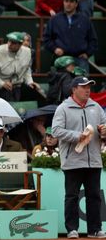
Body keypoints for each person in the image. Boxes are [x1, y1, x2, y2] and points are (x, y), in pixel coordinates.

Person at [52, 76, 106, 239]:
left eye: (89, 86)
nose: (87, 89)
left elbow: (104, 127)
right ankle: (72, 229)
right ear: (74, 89)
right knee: (72, 196)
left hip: (94, 160)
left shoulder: (96, 107)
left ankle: (95, 229)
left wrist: (104, 131)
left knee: (95, 196)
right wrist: (77, 136)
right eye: (83, 87)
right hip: (73, 161)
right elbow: (56, 131)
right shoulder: (63, 108)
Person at [43, 0, 98, 73]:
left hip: (80, 59)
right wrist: (54, 48)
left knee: (83, 84)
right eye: (66, 1)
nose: (68, 4)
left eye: (71, 1)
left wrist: (87, 53)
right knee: (60, 84)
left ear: (76, 4)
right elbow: (46, 38)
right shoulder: (55, 19)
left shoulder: (85, 20)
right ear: (63, 2)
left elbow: (93, 40)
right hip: (61, 59)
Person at [0, 31, 40, 101]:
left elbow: (26, 69)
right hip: (0, 87)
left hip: (17, 86)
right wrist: (2, 83)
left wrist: (29, 81)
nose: (9, 44)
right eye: (9, 41)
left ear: (20, 44)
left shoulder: (27, 52)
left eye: (13, 43)